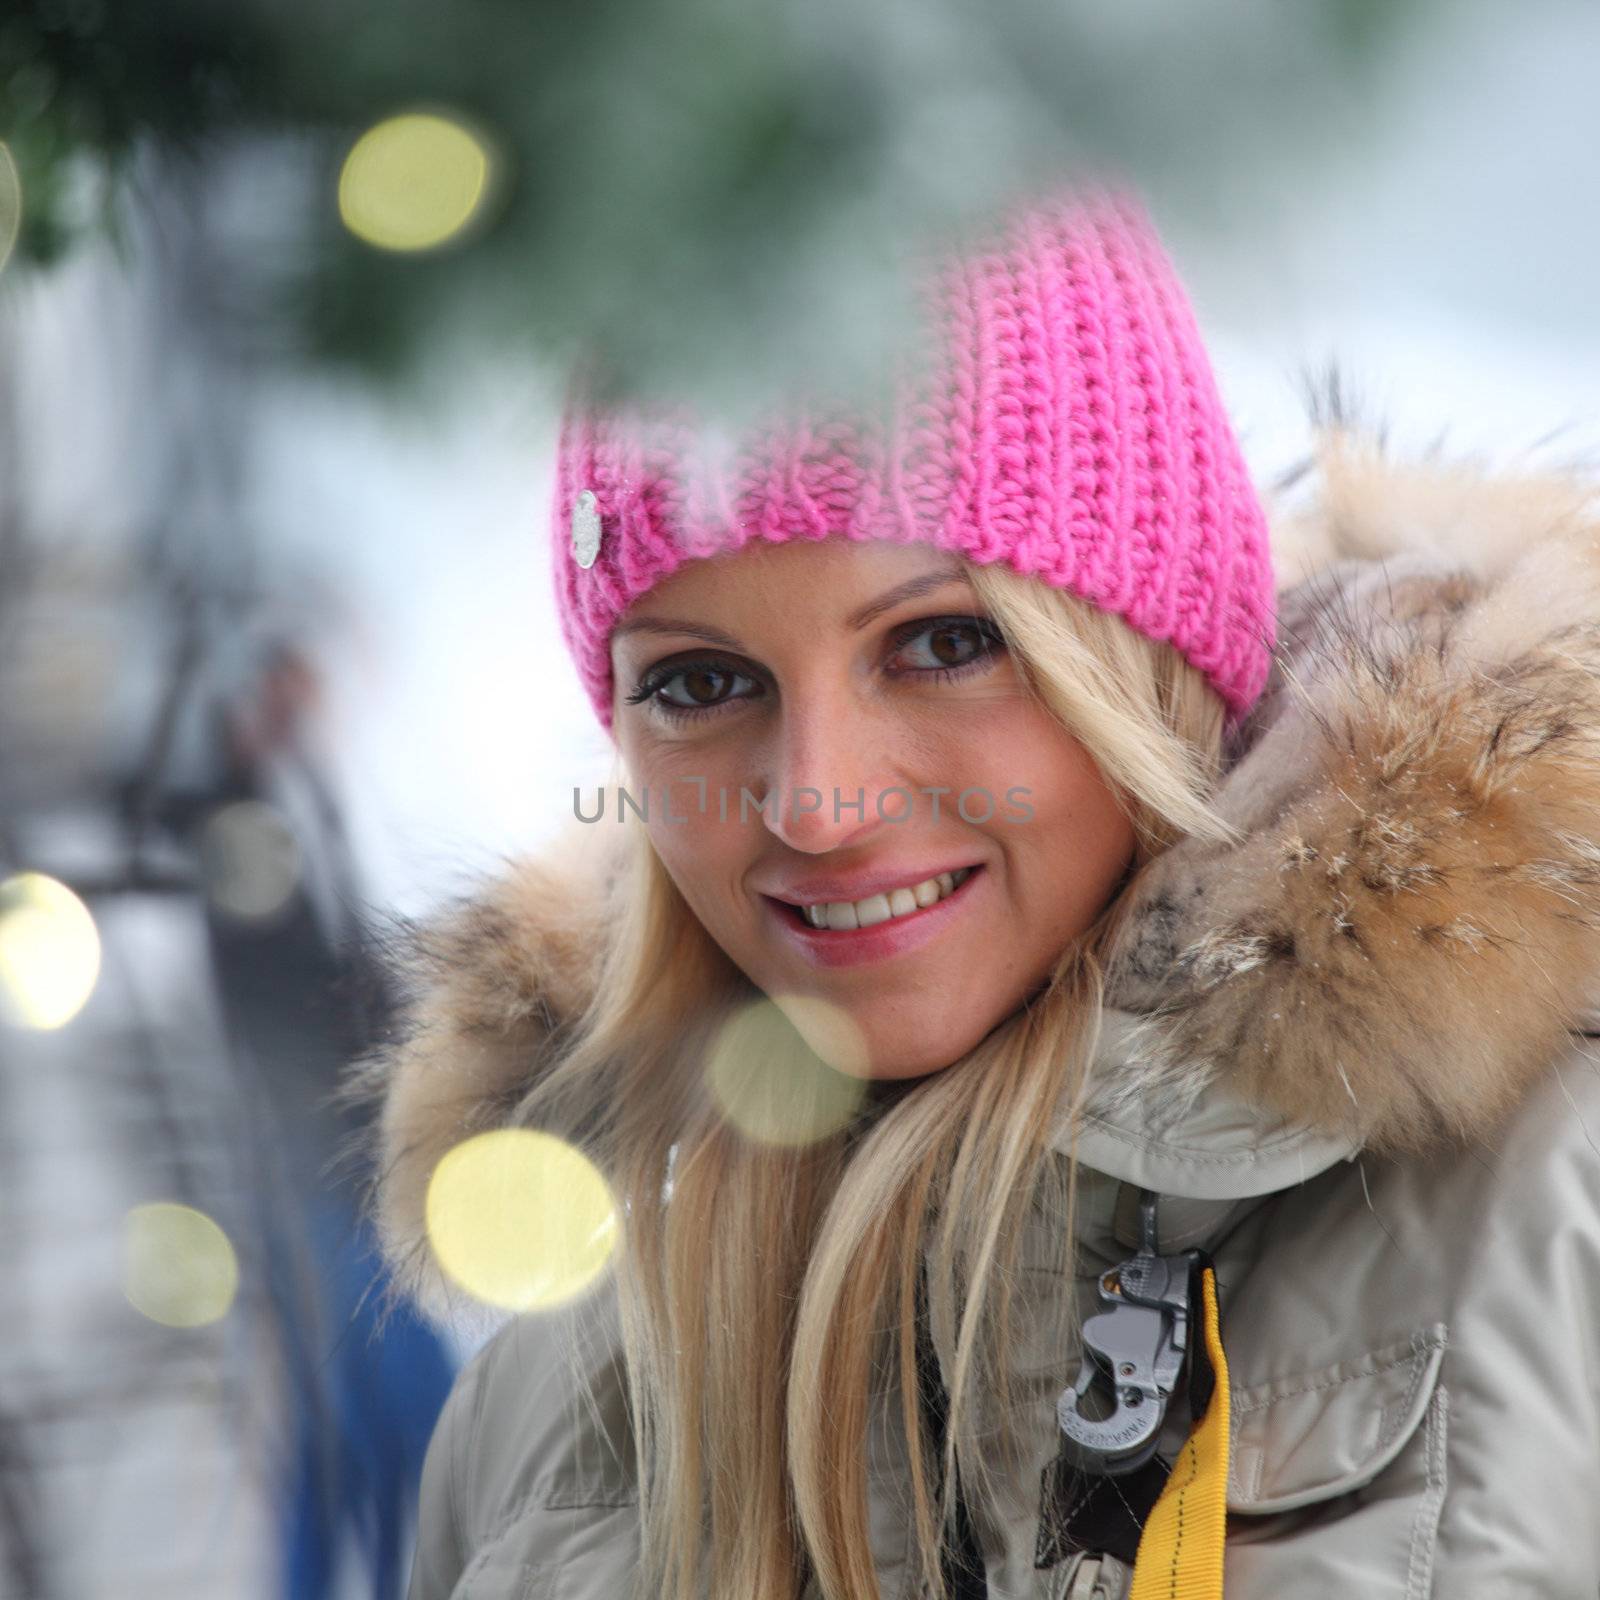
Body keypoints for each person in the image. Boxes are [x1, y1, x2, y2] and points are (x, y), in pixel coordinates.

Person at [342, 182, 1600, 1600]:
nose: (815, 802)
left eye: (943, 644)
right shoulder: (544, 1411)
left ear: (1144, 663)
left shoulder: (1562, 1217)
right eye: (700, 683)